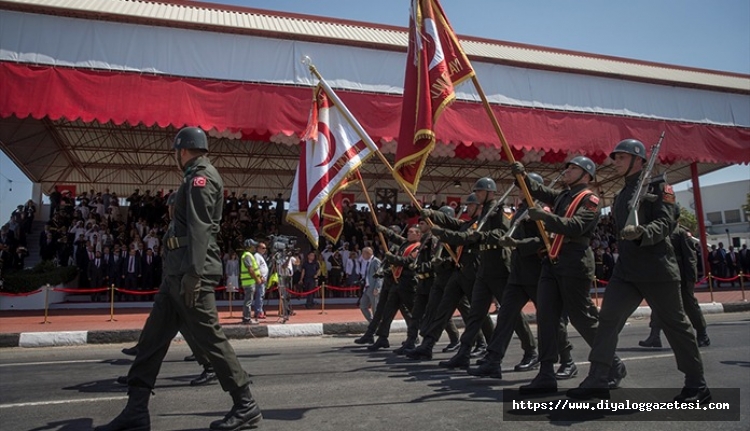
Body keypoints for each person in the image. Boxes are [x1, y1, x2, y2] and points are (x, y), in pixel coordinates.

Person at [95, 127, 261, 431]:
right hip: (177, 273)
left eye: (176, 151)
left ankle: (245, 404)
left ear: (183, 150)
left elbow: (199, 229)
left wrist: (194, 275)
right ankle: (136, 410)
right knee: (151, 341)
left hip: (190, 272)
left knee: (210, 339)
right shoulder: (192, 177)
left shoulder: (201, 177)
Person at [568, 138, 710, 404]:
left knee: (676, 326)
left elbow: (667, 222)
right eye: (616, 158)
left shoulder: (659, 187)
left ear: (639, 160)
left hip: (657, 267)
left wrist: (643, 232)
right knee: (608, 320)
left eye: (621, 157)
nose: (616, 162)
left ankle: (696, 383)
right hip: (627, 270)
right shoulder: (623, 193)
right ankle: (599, 377)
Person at [511, 157, 617, 395]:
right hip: (553, 261)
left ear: (586, 174)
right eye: (567, 167)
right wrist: (522, 176)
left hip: (574, 260)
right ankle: (546, 373)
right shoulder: (562, 196)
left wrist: (544, 217)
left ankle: (613, 364)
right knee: (546, 317)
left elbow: (576, 227)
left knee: (583, 318)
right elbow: (538, 190)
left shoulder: (589, 199)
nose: (566, 171)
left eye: (573, 168)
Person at [467, 173, 576, 379]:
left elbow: (545, 241)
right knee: (506, 316)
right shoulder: (521, 211)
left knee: (550, 319)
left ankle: (567, 360)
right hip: (517, 272)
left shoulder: (541, 210)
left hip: (536, 272)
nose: (518, 190)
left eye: (523, 186)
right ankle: (493, 360)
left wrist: (519, 244)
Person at [640, 213, 710, 348]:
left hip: (682, 277)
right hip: (664, 276)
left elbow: (690, 258)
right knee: (658, 305)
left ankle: (702, 334)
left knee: (689, 305)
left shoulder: (681, 232)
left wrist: (690, 279)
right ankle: (654, 336)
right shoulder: (660, 232)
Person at [367, 225, 421, 352]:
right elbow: (394, 237)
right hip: (397, 283)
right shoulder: (405, 243)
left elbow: (408, 261)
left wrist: (393, 259)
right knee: (387, 312)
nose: (408, 234)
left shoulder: (418, 247)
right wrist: (383, 229)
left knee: (415, 313)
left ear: (418, 235)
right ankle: (382, 338)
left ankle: (415, 338)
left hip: (409, 284)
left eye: (411, 232)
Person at [240, 239, 263, 324]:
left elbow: (254, 269)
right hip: (249, 282)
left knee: (248, 300)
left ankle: (246, 317)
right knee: (248, 301)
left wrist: (259, 276)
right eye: (253, 246)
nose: (254, 247)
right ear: (249, 247)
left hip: (250, 282)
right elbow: (251, 270)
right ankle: (247, 318)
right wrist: (257, 279)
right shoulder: (247, 255)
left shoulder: (249, 255)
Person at [359, 246, 382, 322]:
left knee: (375, 308)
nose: (362, 255)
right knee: (363, 305)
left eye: (363, 254)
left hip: (373, 288)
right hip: (367, 287)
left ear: (368, 253)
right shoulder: (368, 262)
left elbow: (380, 275)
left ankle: (378, 326)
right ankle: (372, 322)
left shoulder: (376, 261)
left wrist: (377, 288)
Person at [252, 242, 269, 319]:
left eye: (265, 248)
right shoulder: (257, 256)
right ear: (258, 248)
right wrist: (260, 276)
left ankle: (259, 310)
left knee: (261, 295)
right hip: (260, 279)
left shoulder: (260, 256)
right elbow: (257, 267)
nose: (264, 250)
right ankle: (258, 311)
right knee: (260, 295)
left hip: (263, 279)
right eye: (263, 248)